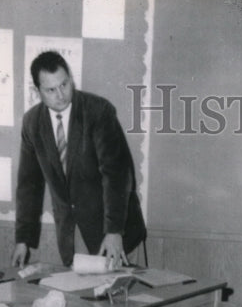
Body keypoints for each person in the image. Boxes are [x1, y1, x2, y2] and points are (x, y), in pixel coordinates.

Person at [12, 50, 146, 270]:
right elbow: (29, 184)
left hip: (115, 233)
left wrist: (114, 231)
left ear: (70, 78)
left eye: (64, 84)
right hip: (72, 236)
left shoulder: (98, 111)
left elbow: (116, 175)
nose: (61, 95)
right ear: (37, 91)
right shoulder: (32, 123)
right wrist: (23, 239)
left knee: (122, 291)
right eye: (51, 90)